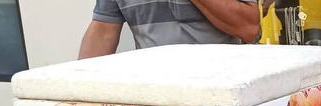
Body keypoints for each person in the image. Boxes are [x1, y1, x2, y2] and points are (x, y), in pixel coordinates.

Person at [79, 0, 261, 59]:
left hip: (220, 95)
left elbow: (248, 27)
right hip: (155, 104)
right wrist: (73, 95)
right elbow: (103, 31)